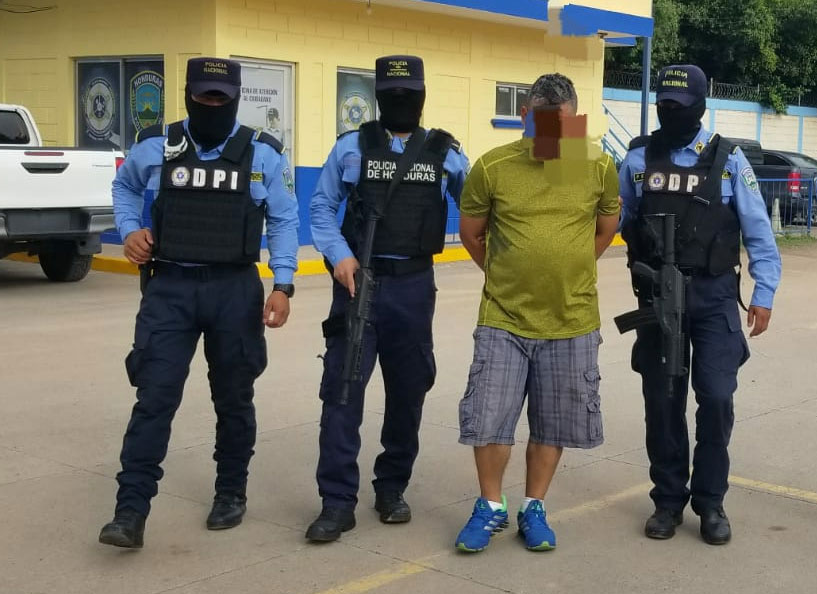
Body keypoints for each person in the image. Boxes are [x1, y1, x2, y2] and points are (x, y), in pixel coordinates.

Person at [99, 57, 299, 549]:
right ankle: (130, 512)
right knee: (154, 398)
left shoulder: (263, 152)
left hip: (234, 290)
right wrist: (129, 230)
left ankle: (230, 492)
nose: (212, 103)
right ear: (188, 93)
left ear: (235, 98)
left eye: (220, 97)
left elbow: (284, 219)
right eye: (204, 94)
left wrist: (283, 283)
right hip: (170, 287)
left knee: (233, 398)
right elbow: (124, 188)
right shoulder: (156, 145)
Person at [453, 73, 620, 553]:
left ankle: (534, 507)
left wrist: (570, 269)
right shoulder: (494, 166)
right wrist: (505, 275)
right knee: (489, 417)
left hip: (571, 319)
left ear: (575, 119)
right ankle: (491, 505)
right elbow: (471, 233)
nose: (554, 135)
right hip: (504, 319)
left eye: (563, 125)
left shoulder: (596, 164)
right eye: (544, 123)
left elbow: (606, 227)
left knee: (554, 422)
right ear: (524, 116)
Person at [306, 55, 469, 542]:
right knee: (342, 392)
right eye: (392, 94)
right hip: (359, 283)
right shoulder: (351, 147)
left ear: (422, 96)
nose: (400, 101)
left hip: (414, 286)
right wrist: (339, 255)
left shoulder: (445, 153)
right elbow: (321, 206)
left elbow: (478, 207)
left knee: (408, 392)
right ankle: (337, 502)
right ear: (378, 97)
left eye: (408, 94)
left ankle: (392, 487)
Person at [618, 65, 781, 546]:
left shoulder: (729, 160)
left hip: (713, 296)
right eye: (664, 105)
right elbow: (621, 219)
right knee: (662, 401)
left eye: (681, 106)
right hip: (657, 297)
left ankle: (710, 502)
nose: (671, 113)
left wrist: (764, 293)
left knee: (716, 397)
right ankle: (668, 500)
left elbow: (758, 230)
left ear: (701, 106)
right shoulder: (636, 159)